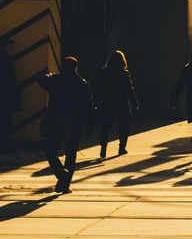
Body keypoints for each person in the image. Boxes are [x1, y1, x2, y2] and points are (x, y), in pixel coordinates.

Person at [38, 57, 94, 194]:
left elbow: (40, 79)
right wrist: (89, 126)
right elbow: (89, 107)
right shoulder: (82, 84)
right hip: (75, 121)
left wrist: (50, 74)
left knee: (50, 151)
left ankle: (60, 174)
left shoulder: (55, 80)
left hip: (56, 118)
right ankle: (64, 183)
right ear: (76, 67)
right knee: (71, 153)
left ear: (62, 66)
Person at [93, 50, 138, 159]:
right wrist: (134, 103)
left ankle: (103, 148)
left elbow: (97, 89)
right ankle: (122, 148)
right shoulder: (124, 73)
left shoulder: (103, 73)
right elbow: (130, 90)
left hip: (107, 104)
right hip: (121, 104)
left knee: (105, 127)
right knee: (123, 127)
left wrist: (95, 102)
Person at [0, 34, 20, 152]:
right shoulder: (6, 60)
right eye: (10, 47)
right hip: (5, 97)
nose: (12, 50)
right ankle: (4, 144)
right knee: (5, 121)